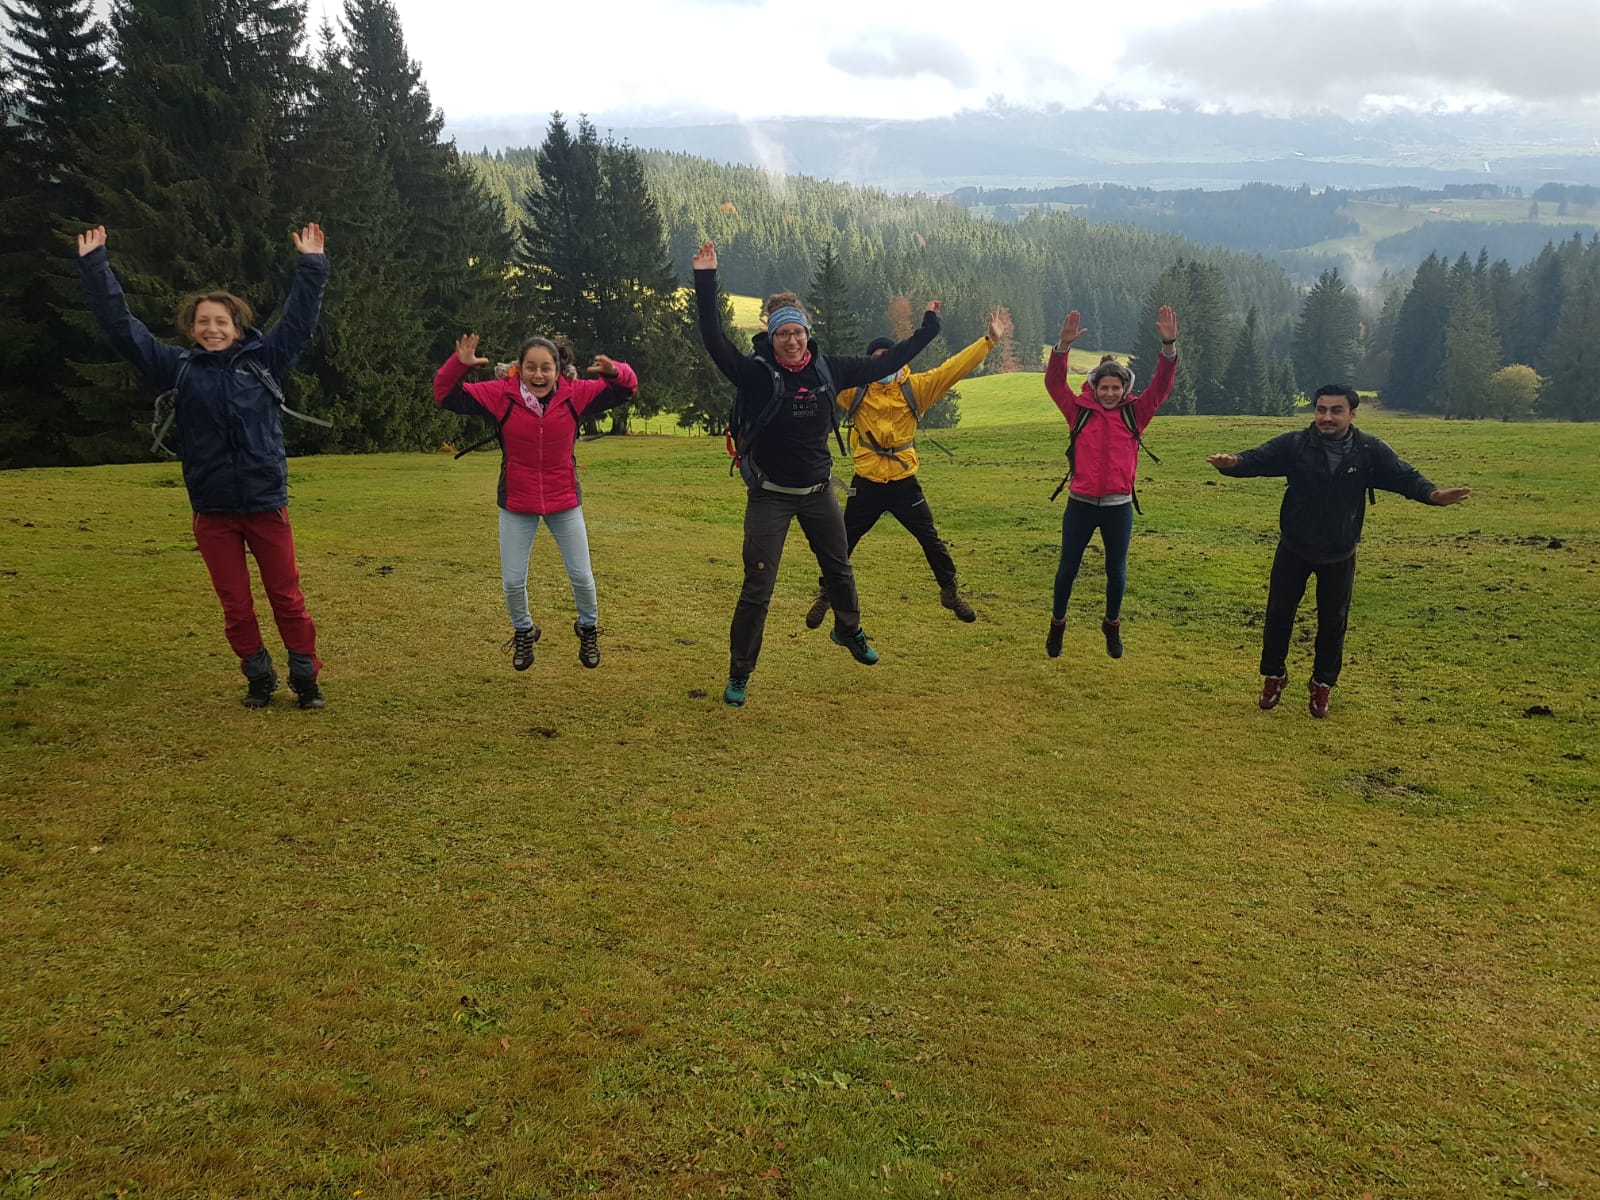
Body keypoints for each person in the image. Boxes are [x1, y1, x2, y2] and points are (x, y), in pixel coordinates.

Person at [77, 222, 331, 709]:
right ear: (191, 329)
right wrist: (95, 268)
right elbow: (123, 329)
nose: (212, 329)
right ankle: (258, 675)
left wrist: (312, 265)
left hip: (265, 505)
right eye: (202, 322)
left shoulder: (266, 360)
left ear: (237, 326)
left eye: (221, 321)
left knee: (287, 597)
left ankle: (306, 677)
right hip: (212, 511)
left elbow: (300, 318)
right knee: (235, 604)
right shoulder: (178, 368)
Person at [690, 240, 942, 708]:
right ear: (772, 336)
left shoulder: (831, 370)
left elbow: (887, 362)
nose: (792, 341)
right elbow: (713, 340)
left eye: (798, 333)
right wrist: (705, 281)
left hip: (818, 491)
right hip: (769, 495)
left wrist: (929, 327)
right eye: (783, 334)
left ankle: (848, 630)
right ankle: (740, 672)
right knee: (758, 587)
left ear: (808, 333)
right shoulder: (756, 374)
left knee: (840, 569)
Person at [1206, 384, 1471, 718]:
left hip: (1339, 552)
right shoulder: (1295, 444)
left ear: (1352, 414)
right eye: (1321, 410)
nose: (1326, 417)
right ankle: (1274, 676)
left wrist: (1433, 495)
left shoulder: (1369, 450)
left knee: (1333, 621)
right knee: (1278, 615)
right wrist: (1231, 463)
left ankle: (1322, 684)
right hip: (1294, 547)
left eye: (1335, 411)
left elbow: (1404, 477)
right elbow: (1257, 459)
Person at [434, 333, 637, 672]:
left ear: (558, 370)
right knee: (513, 581)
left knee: (582, 577)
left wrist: (616, 371)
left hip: (564, 500)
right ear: (519, 368)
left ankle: (588, 628)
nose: (538, 375)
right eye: (531, 367)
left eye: (546, 368)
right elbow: (445, 395)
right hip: (517, 501)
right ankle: (524, 631)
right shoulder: (501, 395)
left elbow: (627, 389)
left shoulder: (575, 394)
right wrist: (459, 365)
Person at [804, 308, 1005, 629]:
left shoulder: (916, 387)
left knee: (930, 539)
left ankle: (950, 591)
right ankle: (827, 594)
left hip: (904, 483)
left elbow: (953, 368)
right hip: (866, 483)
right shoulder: (854, 391)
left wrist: (989, 341)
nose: (883, 364)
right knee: (841, 543)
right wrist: (788, 340)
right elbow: (818, 372)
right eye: (877, 359)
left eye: (888, 357)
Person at [1042, 305, 1179, 660]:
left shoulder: (1136, 413)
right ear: (1094, 387)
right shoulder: (1078, 411)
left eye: (1115, 387)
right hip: (1080, 504)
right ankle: (1057, 623)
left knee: (1116, 573)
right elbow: (1054, 384)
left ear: (1124, 387)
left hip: (1118, 507)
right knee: (1066, 570)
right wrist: (1062, 348)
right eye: (1104, 387)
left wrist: (1168, 347)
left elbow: (1161, 387)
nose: (1109, 393)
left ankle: (1112, 624)